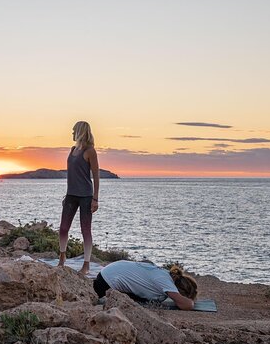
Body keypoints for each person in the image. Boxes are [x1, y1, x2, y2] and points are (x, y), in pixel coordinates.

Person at [58, 121, 100, 275]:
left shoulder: (90, 151)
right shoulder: (73, 149)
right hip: (71, 194)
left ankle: (86, 265)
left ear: (80, 131)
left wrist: (95, 199)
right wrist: (67, 193)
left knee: (85, 230)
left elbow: (96, 175)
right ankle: (62, 258)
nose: (72, 133)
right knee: (63, 228)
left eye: (74, 130)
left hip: (86, 196)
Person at [93, 261, 198, 310]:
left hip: (109, 271)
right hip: (108, 279)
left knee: (146, 300)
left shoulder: (164, 274)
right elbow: (186, 305)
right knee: (92, 296)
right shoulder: (166, 281)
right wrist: (190, 301)